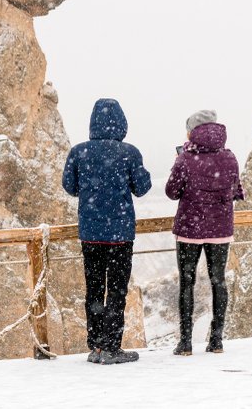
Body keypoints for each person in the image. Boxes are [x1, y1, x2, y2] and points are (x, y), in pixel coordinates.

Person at [62, 98, 152, 365]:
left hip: (90, 233)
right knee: (116, 290)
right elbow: (142, 187)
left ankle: (97, 347)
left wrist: (90, 189)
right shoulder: (129, 153)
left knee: (94, 289)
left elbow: (69, 186)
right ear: (121, 123)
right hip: (120, 235)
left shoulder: (79, 152)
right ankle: (112, 346)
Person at [165, 109, 245, 355]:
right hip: (220, 228)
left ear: (193, 132)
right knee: (218, 280)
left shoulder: (186, 159)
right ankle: (217, 340)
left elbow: (171, 192)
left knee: (187, 282)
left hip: (190, 228)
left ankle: (186, 343)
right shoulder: (229, 157)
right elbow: (234, 191)